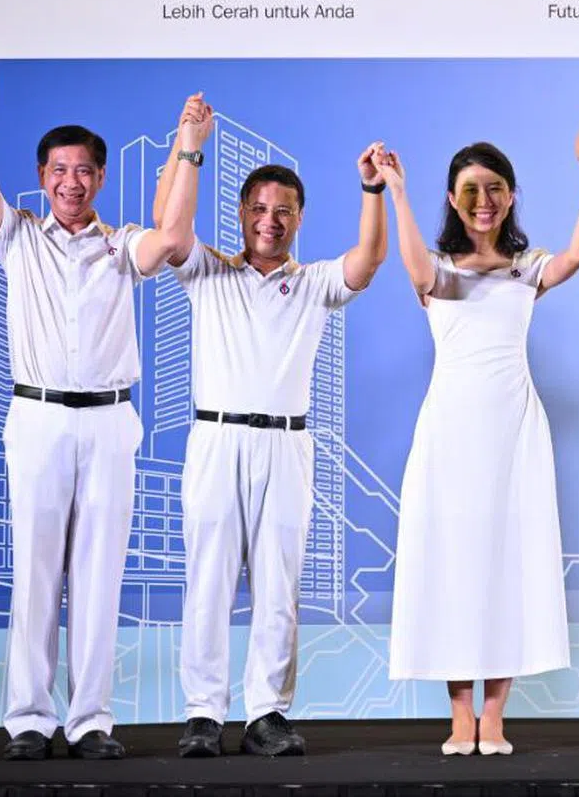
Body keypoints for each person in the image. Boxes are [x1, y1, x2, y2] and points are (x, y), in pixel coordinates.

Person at [0, 26, 210, 761]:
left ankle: (91, 719)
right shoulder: (18, 235)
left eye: (83, 171)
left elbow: (175, 234)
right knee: (34, 573)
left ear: (98, 179)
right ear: (41, 177)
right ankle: (29, 719)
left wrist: (188, 146)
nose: (70, 182)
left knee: (100, 575)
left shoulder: (121, 244)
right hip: (34, 416)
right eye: (58, 170)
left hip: (108, 422)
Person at [150, 123, 388, 757]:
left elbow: (369, 260)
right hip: (216, 438)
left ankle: (267, 713)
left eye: (284, 212)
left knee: (280, 583)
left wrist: (372, 188)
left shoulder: (313, 283)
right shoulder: (208, 273)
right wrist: (189, 147)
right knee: (207, 579)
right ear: (241, 213)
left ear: (300, 219)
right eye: (259, 209)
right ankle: (203, 713)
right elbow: (169, 228)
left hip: (286, 446)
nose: (270, 221)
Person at [381, 128, 579, 756]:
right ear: (452, 200)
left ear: (510, 197)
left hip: (514, 433)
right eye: (471, 190)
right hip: (449, 434)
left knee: (507, 566)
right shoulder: (438, 271)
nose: (484, 200)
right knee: (454, 567)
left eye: (496, 189)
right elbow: (414, 266)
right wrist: (397, 192)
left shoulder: (526, 267)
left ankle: (495, 717)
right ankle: (459, 718)